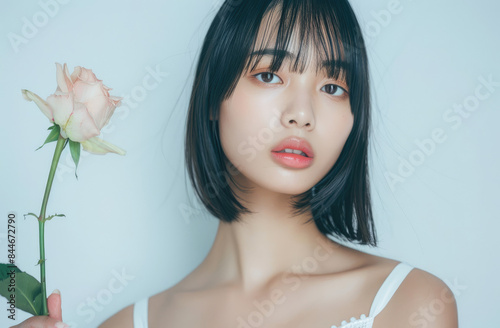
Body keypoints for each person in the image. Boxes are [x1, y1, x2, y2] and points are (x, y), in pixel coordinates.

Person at [12, 0, 459, 327]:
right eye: (269, 75)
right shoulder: (127, 325)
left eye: (333, 87)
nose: (302, 113)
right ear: (213, 97)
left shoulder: (408, 305)